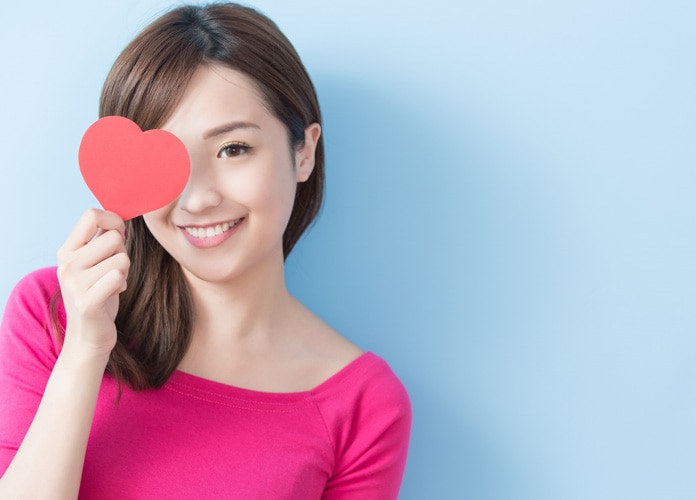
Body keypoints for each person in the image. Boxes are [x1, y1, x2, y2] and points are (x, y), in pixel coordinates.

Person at [0, 3, 411, 498]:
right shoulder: (52, 313)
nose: (197, 198)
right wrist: (85, 352)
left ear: (303, 151)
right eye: (166, 159)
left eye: (233, 149)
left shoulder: (362, 405)